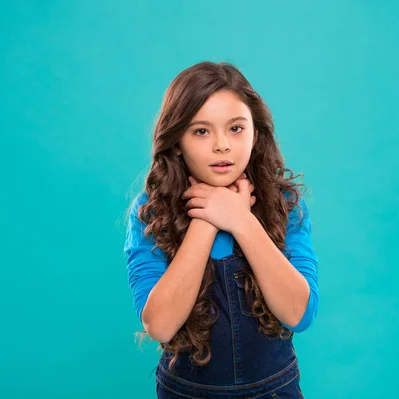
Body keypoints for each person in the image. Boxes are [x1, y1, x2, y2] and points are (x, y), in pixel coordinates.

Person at [124, 61, 319, 398]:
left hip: (275, 390)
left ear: (255, 132)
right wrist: (206, 218)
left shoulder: (285, 204)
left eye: (236, 128)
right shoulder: (151, 211)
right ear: (177, 141)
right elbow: (160, 324)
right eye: (201, 131)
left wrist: (242, 221)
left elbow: (298, 314)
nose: (222, 145)